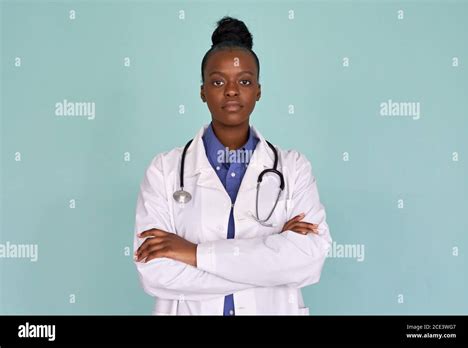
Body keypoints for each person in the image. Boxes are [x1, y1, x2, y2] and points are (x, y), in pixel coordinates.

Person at [133, 16, 332, 315]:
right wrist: (270, 264)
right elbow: (155, 272)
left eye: (244, 81)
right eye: (217, 81)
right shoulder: (165, 170)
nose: (231, 90)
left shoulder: (293, 168)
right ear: (202, 92)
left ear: (258, 91)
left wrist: (192, 253)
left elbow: (309, 261)